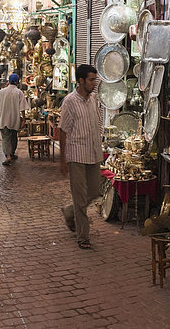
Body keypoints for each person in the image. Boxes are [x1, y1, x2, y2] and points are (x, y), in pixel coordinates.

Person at [59, 64, 103, 250]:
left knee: (95, 191)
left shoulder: (94, 100)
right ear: (81, 81)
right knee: (79, 196)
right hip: (76, 155)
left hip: (93, 153)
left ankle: (70, 211)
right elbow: (62, 131)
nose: (94, 83)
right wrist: (63, 159)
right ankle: (83, 236)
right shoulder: (70, 101)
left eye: (95, 79)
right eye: (91, 80)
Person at [0, 73, 29, 166]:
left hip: (3, 118)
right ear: (17, 82)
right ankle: (11, 154)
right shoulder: (19, 92)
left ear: (9, 81)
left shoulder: (2, 91)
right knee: (13, 136)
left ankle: (9, 155)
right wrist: (23, 119)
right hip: (14, 118)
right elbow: (22, 108)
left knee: (5, 137)